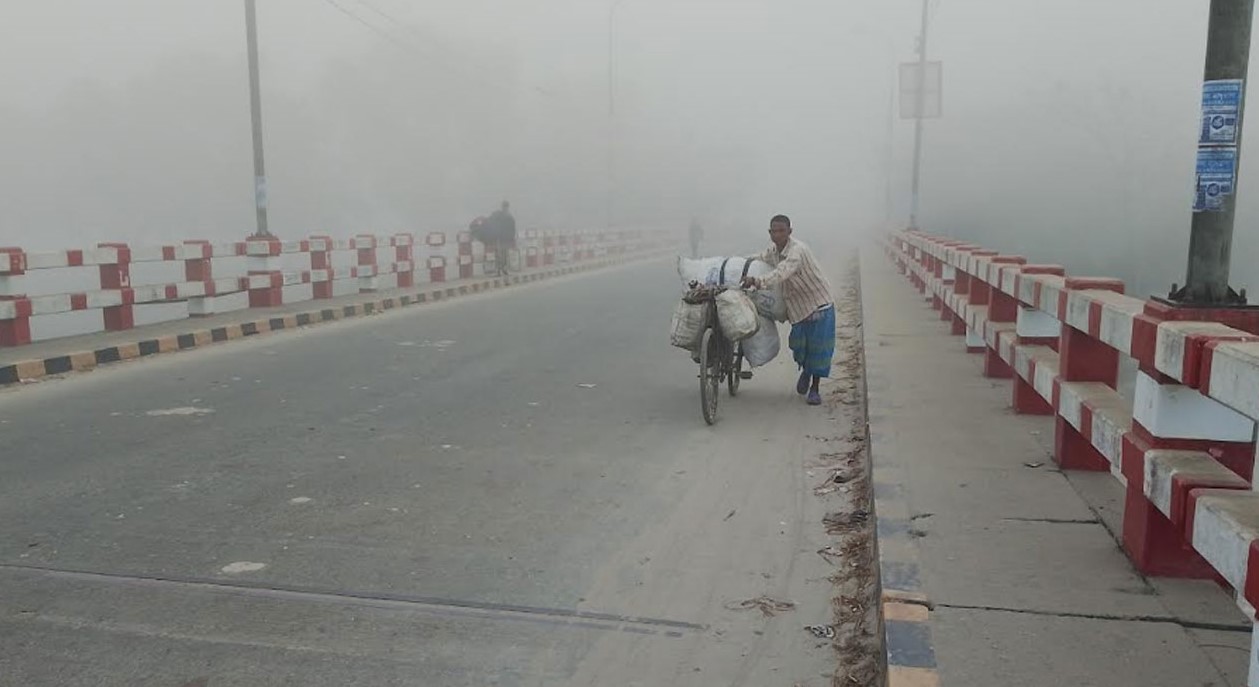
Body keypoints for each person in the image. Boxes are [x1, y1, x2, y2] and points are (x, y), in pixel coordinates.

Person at [741, 214, 835, 406]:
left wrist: (757, 281)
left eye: (781, 230)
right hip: (798, 308)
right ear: (769, 233)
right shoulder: (773, 251)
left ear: (790, 232)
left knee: (818, 349)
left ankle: (815, 388)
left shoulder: (797, 251)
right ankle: (806, 370)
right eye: (773, 231)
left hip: (818, 303)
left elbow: (782, 272)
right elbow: (758, 258)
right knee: (799, 346)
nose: (777, 234)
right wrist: (736, 264)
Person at [488, 201, 516, 276]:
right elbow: (513, 230)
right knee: (501, 254)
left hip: (503, 238)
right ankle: (501, 269)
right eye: (504, 206)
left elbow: (512, 229)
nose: (505, 208)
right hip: (502, 238)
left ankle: (501, 269)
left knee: (502, 254)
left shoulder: (506, 217)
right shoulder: (508, 217)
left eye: (505, 206)